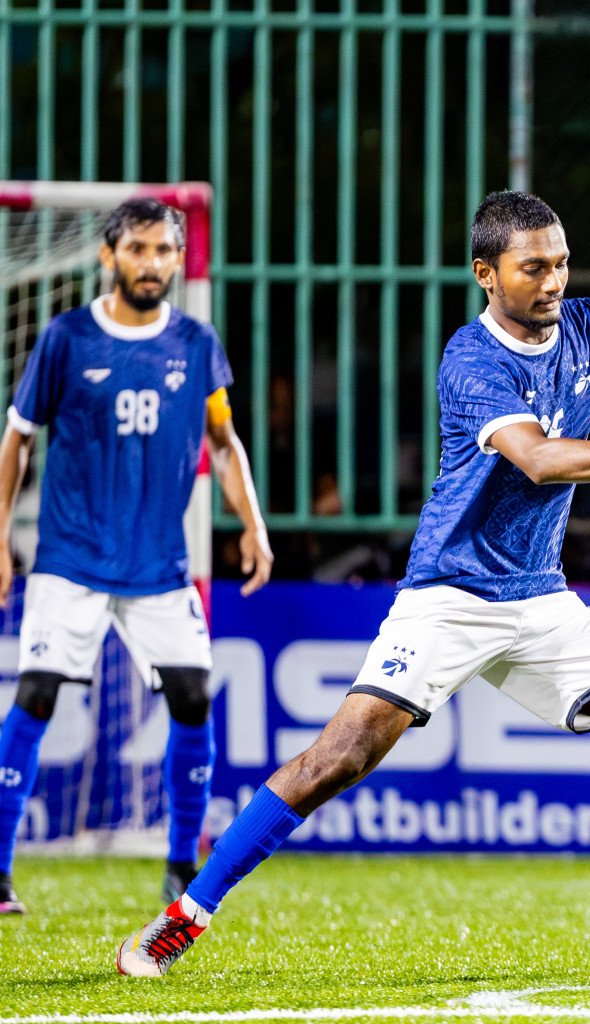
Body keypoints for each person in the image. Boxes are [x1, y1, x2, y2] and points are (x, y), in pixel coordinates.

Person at [114, 190, 590, 977]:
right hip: (451, 594)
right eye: (534, 267)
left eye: (562, 263)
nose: (553, 280)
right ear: (487, 273)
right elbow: (540, 458)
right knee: (337, 759)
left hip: (540, 597)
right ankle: (185, 915)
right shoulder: (470, 361)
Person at [0, 198, 272, 916]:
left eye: (163, 251)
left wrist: (253, 522)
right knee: (36, 695)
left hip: (158, 565)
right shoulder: (65, 338)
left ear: (177, 259)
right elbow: (18, 439)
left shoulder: (195, 341)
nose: (152, 263)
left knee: (190, 695)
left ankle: (181, 865)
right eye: (138, 249)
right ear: (108, 255)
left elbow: (224, 439)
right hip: (71, 558)